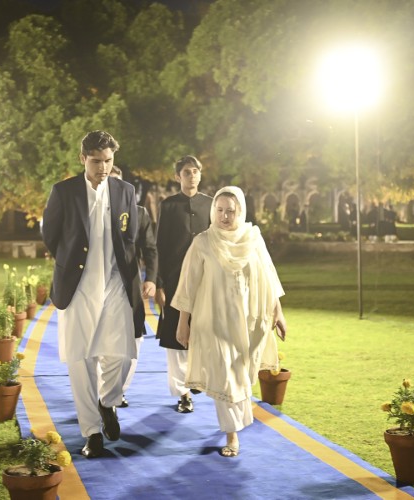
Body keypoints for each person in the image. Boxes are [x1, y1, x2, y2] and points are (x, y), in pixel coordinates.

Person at [41, 130, 139, 459]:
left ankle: (107, 401)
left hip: (115, 283)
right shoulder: (64, 192)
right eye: (96, 161)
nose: (103, 168)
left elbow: (131, 237)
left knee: (122, 354)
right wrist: (71, 264)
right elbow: (50, 234)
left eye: (108, 161)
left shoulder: (125, 191)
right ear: (83, 159)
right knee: (81, 359)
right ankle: (92, 432)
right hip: (78, 286)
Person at [172, 186, 288, 458]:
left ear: (241, 211)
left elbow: (269, 277)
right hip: (214, 320)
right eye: (220, 210)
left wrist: (278, 312)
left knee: (241, 375)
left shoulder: (254, 239)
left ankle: (237, 422)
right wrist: (182, 322)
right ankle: (232, 433)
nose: (224, 216)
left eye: (230, 211)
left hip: (250, 320)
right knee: (225, 375)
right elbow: (188, 285)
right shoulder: (203, 242)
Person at [155, 155, 212, 413]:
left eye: (195, 171)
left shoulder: (211, 204)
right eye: (187, 172)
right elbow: (160, 246)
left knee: (203, 332)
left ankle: (199, 378)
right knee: (174, 338)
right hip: (174, 281)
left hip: (205, 281)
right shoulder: (168, 206)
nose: (192, 176)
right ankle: (183, 394)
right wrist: (159, 284)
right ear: (178, 176)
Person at [109, 165, 158, 407]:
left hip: (130, 286)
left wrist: (151, 279)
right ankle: (103, 394)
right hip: (99, 288)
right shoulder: (90, 212)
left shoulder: (139, 213)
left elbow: (150, 249)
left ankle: (118, 390)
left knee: (134, 339)